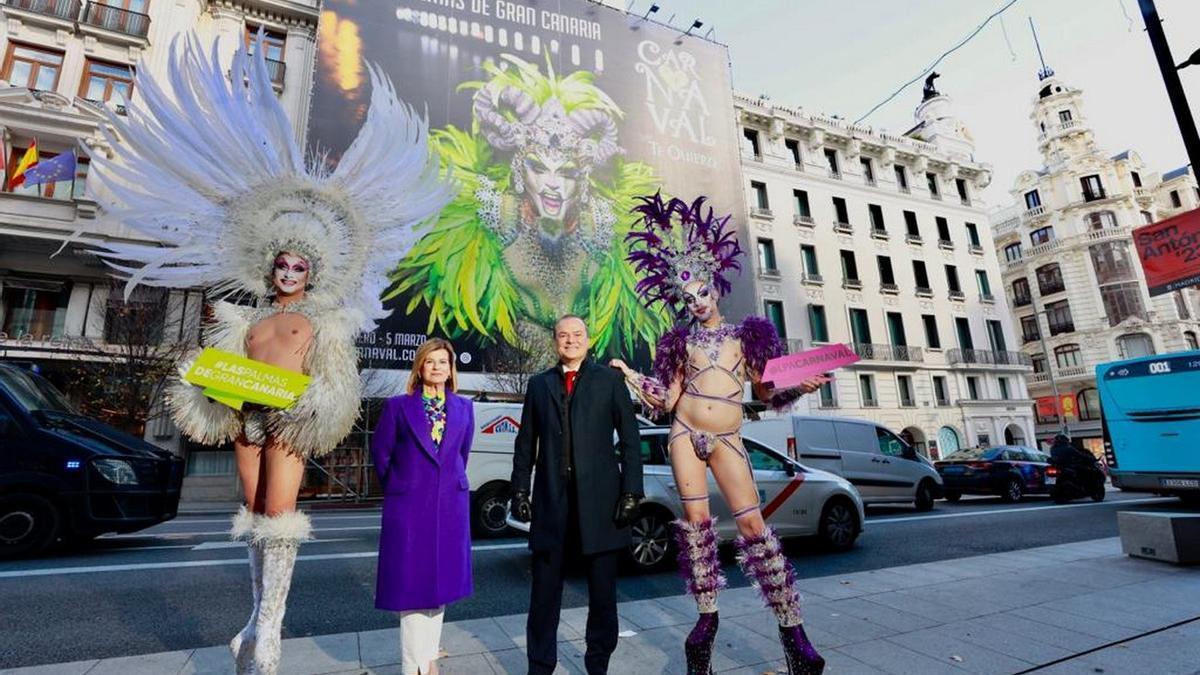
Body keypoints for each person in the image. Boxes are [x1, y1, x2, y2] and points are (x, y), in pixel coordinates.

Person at [86, 35, 452, 675]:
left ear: (312, 271)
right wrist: (203, 386)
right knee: (255, 516)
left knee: (282, 518)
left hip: (289, 421)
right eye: (282, 263)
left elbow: (335, 387)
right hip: (249, 419)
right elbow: (212, 379)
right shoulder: (244, 318)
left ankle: (270, 640)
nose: (288, 271)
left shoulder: (326, 319)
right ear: (270, 265)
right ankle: (254, 622)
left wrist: (306, 403)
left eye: (299, 264)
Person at [610, 194, 827, 675]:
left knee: (754, 529)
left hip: (728, 438)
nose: (697, 301)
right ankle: (705, 626)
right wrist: (629, 374)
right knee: (698, 530)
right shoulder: (678, 341)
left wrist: (798, 384)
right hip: (685, 434)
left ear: (715, 289)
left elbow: (766, 389)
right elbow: (666, 401)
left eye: (702, 292)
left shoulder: (745, 335)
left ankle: (795, 635)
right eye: (688, 298)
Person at [509, 315, 642, 675]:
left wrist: (632, 491)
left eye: (577, 334)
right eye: (563, 335)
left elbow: (631, 441)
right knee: (543, 595)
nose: (570, 340)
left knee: (602, 596)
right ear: (555, 341)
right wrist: (520, 488)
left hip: (601, 505)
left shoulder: (610, 380)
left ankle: (597, 665)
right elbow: (525, 445)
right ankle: (540, 665)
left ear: (588, 338)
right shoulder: (539, 385)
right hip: (552, 503)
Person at [371, 338, 474, 675]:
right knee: (411, 589)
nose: (437, 367)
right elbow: (382, 455)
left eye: (443, 362)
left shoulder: (463, 407)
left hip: (450, 507)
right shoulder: (398, 407)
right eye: (431, 361)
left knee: (440, 586)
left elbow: (461, 455)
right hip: (409, 507)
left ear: (451, 368)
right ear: (420, 366)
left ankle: (428, 661)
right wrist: (405, 487)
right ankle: (413, 667)